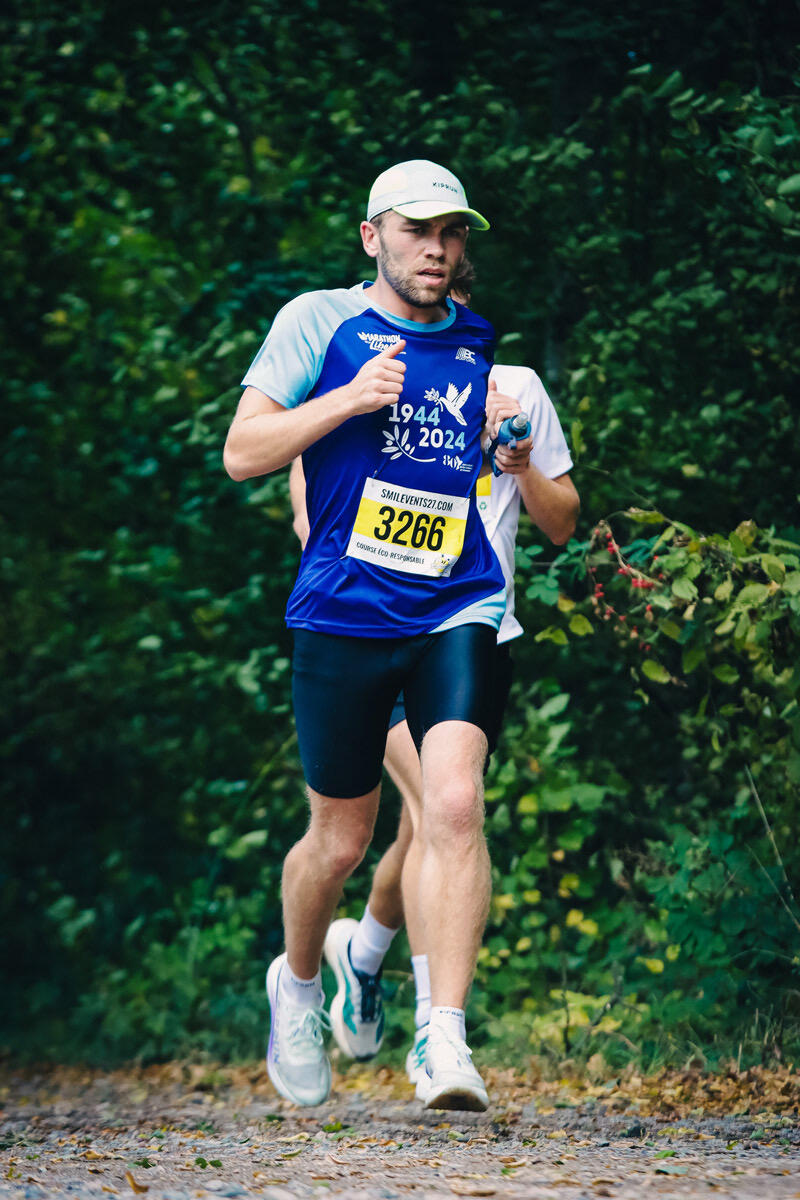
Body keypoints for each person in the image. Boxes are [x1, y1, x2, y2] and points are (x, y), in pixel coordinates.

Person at [224, 160, 534, 1112]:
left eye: (450, 234)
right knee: (342, 840)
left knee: (452, 803)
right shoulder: (316, 323)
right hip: (345, 612)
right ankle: (301, 984)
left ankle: (443, 1040)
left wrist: (502, 452)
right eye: (415, 232)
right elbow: (245, 453)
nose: (435, 250)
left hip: (457, 602)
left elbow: (442, 466)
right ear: (373, 237)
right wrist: (350, 400)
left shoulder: (477, 340)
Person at [290, 263, 580, 1099]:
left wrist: (516, 458)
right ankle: (432, 1029)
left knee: (435, 817)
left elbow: (562, 520)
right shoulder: (354, 376)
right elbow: (312, 513)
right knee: (440, 808)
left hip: (477, 628)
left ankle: (366, 955)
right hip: (375, 626)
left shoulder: (510, 383)